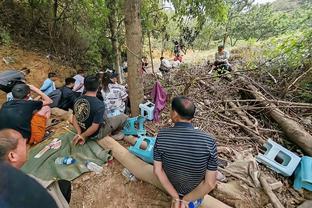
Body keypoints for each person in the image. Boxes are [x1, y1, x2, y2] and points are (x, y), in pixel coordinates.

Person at [153, 96, 218, 208]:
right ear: (192, 117)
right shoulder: (209, 141)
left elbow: (157, 171)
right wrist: (186, 200)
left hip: (171, 187)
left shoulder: (162, 135)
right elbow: (210, 183)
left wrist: (175, 196)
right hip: (195, 194)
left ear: (174, 114)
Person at [0, 129, 70, 208]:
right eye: (23, 143)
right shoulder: (20, 187)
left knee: (64, 185)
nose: (27, 143)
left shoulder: (10, 175)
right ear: (12, 156)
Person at [72, 76, 127, 145]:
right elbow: (94, 127)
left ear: (85, 86)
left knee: (104, 116)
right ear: (98, 87)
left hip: (82, 128)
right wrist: (82, 136)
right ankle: (117, 135)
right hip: (95, 134)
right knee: (123, 117)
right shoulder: (99, 104)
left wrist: (79, 132)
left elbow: (74, 118)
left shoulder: (77, 99)